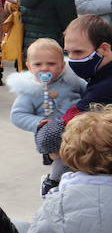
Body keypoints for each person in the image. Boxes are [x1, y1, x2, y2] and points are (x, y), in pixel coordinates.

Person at [6, 37, 85, 192]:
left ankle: (78, 179)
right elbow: (17, 115)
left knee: (81, 156)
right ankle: (52, 181)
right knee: (62, 157)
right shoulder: (29, 92)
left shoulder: (72, 81)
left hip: (76, 129)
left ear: (62, 65)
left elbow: (89, 93)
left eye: (51, 64)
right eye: (38, 64)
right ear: (29, 66)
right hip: (51, 134)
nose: (44, 68)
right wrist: (38, 121)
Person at [62, 15, 112, 114]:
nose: (72, 59)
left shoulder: (102, 91)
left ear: (104, 49)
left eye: (78, 52)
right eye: (68, 52)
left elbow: (69, 122)